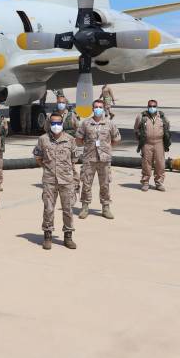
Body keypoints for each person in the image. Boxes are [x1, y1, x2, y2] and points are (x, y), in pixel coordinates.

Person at [33, 112, 77, 250]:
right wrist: (48, 168)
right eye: (53, 123)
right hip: (50, 180)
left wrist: (75, 180)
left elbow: (74, 160)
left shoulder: (70, 140)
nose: (56, 126)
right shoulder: (43, 139)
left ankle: (68, 236)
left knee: (68, 209)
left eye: (58, 123)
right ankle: (47, 235)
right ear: (49, 124)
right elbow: (38, 157)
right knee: (48, 209)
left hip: (66, 180)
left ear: (62, 124)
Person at [75, 99, 121, 219]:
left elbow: (116, 139)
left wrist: (107, 148)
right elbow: (78, 139)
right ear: (92, 108)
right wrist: (87, 147)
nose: (98, 109)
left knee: (105, 184)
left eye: (100, 107)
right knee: (86, 184)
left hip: (104, 160)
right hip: (89, 159)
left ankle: (105, 208)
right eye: (96, 107)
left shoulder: (109, 123)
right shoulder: (85, 123)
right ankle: (85, 207)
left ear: (103, 108)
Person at [134, 99, 171, 192]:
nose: (152, 108)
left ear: (157, 107)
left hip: (159, 143)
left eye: (154, 106)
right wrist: (140, 139)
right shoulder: (142, 117)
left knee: (160, 164)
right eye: (150, 106)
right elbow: (136, 129)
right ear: (147, 107)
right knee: (146, 164)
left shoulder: (162, 117)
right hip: (147, 143)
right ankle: (145, 183)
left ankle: (159, 183)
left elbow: (167, 127)